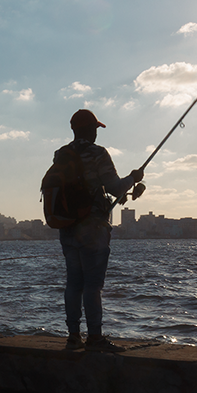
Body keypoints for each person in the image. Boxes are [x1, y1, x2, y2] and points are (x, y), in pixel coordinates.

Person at [40, 107, 144, 353]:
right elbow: (116, 187)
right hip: (93, 228)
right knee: (93, 285)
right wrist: (133, 177)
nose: (97, 134)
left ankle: (73, 336)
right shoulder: (98, 154)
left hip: (67, 228)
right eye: (95, 129)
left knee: (73, 283)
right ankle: (95, 337)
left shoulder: (61, 156)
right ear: (90, 130)